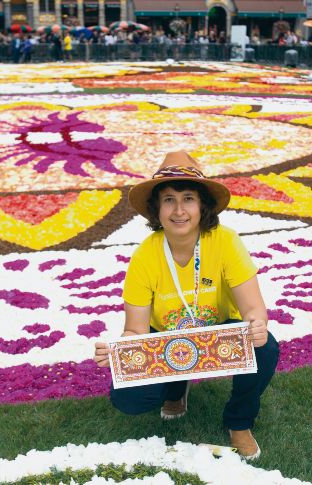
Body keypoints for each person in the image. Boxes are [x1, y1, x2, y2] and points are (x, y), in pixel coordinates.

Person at [93, 151, 279, 461]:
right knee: (129, 397)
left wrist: (256, 324)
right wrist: (120, 354)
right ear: (157, 208)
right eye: (168, 200)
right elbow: (136, 329)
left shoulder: (225, 241)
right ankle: (177, 387)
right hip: (167, 339)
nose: (179, 210)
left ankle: (239, 421)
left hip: (220, 332)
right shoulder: (144, 256)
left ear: (202, 204)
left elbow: (253, 310)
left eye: (188, 198)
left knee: (265, 347)